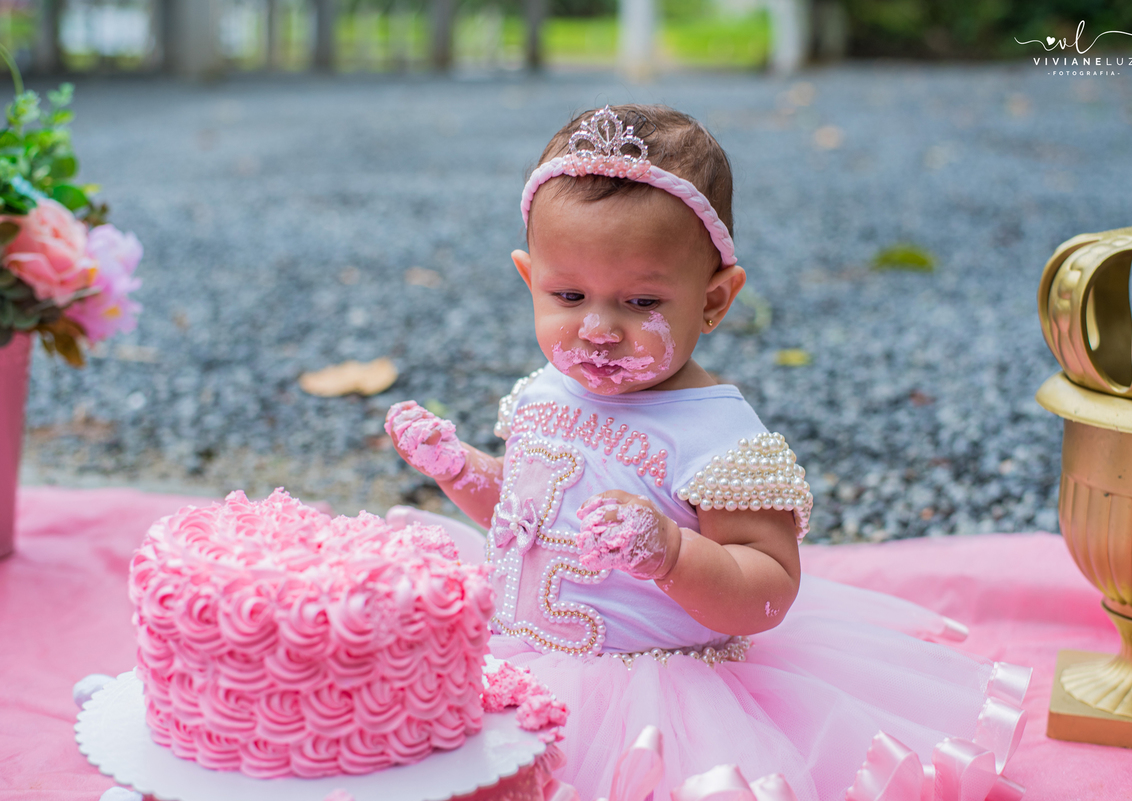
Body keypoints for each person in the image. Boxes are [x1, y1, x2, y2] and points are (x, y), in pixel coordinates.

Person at [385, 104, 1028, 801]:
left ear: (715, 301)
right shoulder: (545, 391)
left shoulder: (720, 437)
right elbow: (524, 514)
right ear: (527, 277)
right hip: (521, 652)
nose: (598, 328)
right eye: (568, 295)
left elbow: (770, 585)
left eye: (640, 301)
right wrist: (460, 467)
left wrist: (670, 552)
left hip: (657, 691)